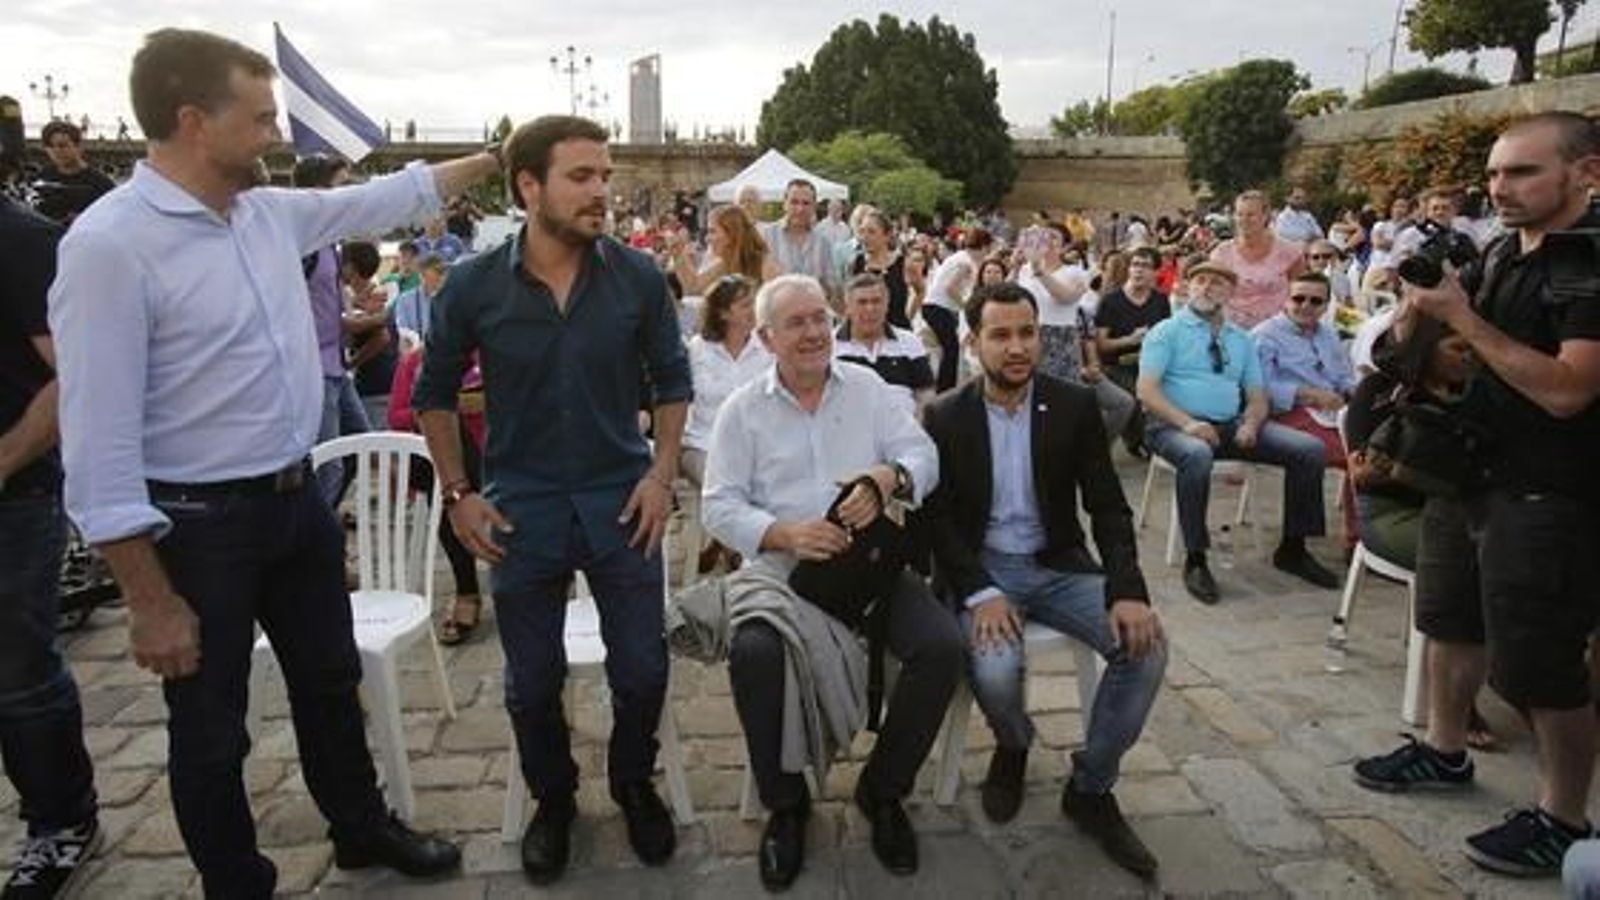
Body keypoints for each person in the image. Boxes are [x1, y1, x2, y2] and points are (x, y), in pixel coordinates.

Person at [47, 28, 482, 897]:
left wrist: (508, 152)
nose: (277, 135)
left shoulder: (265, 213)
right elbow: (94, 441)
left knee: (329, 684)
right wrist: (147, 598)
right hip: (198, 528)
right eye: (260, 118)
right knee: (211, 730)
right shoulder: (109, 247)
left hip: (296, 504)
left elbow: (394, 195)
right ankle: (236, 881)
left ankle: (359, 828)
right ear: (192, 122)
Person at [412, 114, 690, 885]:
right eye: (582, 176)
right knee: (531, 682)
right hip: (520, 512)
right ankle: (555, 799)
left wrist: (662, 473)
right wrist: (458, 492)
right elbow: (433, 394)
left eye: (605, 175)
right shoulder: (473, 284)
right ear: (527, 186)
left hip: (621, 505)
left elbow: (673, 379)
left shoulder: (636, 276)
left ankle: (634, 780)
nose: (602, 190)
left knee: (641, 671)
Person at [1351, 112, 1600, 878]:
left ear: (1586, 172)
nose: (1501, 188)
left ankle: (1563, 817)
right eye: (1494, 174)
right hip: (1468, 473)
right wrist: (1413, 316)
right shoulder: (1499, 251)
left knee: (1536, 663)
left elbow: (1568, 391)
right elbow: (1431, 362)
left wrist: (1463, 316)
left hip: (1548, 490)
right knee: (1447, 617)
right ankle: (1444, 749)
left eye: (1522, 172)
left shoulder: (1588, 265)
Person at [701, 274, 961, 890]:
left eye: (820, 317)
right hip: (786, 573)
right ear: (766, 337)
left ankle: (882, 791)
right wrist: (784, 533)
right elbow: (718, 505)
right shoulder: (744, 409)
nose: (815, 332)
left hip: (867, 567)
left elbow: (924, 457)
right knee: (755, 653)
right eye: (796, 322)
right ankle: (786, 805)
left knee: (942, 647)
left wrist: (885, 478)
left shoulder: (869, 388)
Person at [923, 281, 1166, 878]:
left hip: (1057, 566)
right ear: (973, 342)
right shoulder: (946, 416)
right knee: (997, 673)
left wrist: (1128, 590)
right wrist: (979, 591)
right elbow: (940, 523)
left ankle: (1090, 787)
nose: (1016, 347)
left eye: (1026, 333)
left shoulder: (1073, 406)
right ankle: (1013, 744)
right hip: (984, 572)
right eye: (1000, 334)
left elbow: (1108, 507)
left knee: (1148, 647)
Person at [0, 186, 101, 898]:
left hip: (16, 491)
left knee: (19, 671)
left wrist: (4, 460)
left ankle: (61, 821)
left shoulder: (22, 238)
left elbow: (75, 373)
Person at [1137, 261, 1340, 605]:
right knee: (1197, 455)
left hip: (1229, 424)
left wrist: (1250, 423)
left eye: (1216, 283)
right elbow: (1146, 390)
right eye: (1199, 280)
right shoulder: (1166, 331)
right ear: (1187, 287)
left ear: (1230, 293)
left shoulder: (1241, 339)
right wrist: (1188, 423)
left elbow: (1258, 396)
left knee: (1309, 449)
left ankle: (1293, 548)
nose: (1206, 287)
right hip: (1172, 425)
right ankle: (1197, 559)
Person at [1250, 272, 1359, 551]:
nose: (1306, 306)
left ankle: (1367, 535)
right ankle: (1357, 540)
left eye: (1315, 301)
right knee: (1357, 458)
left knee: (1379, 446)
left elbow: (1343, 376)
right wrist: (1307, 394)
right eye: (1298, 298)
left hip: (1332, 411)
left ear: (1325, 305)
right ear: (1286, 300)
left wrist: (1356, 392)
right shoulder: (1265, 336)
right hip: (1286, 413)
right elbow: (1257, 389)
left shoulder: (1329, 334)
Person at [387, 346, 486, 644]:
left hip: (502, 453)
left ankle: (470, 592)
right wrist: (443, 409)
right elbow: (396, 416)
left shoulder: (499, 349)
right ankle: (467, 591)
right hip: (447, 466)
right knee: (443, 476)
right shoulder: (417, 361)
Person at [293, 154, 371, 505]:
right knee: (329, 465)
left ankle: (323, 526)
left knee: (362, 447)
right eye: (341, 185)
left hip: (337, 367)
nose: (348, 193)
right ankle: (315, 542)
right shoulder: (302, 244)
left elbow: (328, 305)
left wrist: (357, 311)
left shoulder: (329, 244)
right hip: (315, 370)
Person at [1017, 223, 1135, 442]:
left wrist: (1038, 270)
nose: (1048, 243)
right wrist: (1019, 263)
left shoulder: (1075, 272)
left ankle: (1077, 454)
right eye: (1043, 237)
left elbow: (1065, 297)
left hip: (1060, 341)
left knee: (1061, 403)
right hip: (1028, 337)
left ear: (1064, 246)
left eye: (1054, 238)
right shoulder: (1025, 270)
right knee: (1029, 402)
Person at [1095, 246, 1173, 455]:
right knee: (1139, 397)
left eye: (1146, 266)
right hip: (1116, 366)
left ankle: (1153, 440)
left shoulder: (1161, 300)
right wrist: (1131, 339)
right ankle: (1133, 442)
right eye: (1135, 264)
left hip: (1150, 365)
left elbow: (1167, 337)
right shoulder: (1111, 300)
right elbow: (1101, 344)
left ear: (1157, 272)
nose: (1139, 270)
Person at [833, 272, 935, 414]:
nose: (870, 308)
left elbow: (926, 393)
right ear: (848, 308)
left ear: (887, 305)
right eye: (862, 302)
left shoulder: (909, 341)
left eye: (876, 301)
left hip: (904, 430)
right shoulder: (830, 345)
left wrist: (918, 427)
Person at [1210, 190, 1307, 330]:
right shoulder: (1221, 254)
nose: (1244, 219)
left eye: (1251, 214)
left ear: (1265, 216)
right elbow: (1213, 296)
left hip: (1278, 333)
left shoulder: (1290, 252)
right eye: (1239, 214)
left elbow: (1301, 295)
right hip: (1233, 333)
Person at [925, 228, 993, 391]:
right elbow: (951, 288)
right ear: (983, 246)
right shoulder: (966, 262)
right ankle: (945, 389)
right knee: (952, 350)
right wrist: (967, 308)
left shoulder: (961, 257)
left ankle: (945, 386)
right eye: (988, 249)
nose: (988, 254)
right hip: (937, 307)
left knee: (950, 350)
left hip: (936, 307)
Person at [669, 204, 776, 297]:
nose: (707, 238)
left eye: (712, 231)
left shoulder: (765, 265)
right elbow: (693, 288)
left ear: (732, 235)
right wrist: (678, 254)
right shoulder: (724, 264)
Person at [760, 180, 838, 300]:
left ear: (814, 207)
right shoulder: (766, 236)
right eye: (794, 202)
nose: (800, 209)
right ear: (784, 204)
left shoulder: (823, 243)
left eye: (806, 203)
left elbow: (831, 286)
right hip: (776, 314)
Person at [33, 120, 116, 225]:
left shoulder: (101, 184)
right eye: (50, 146)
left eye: (62, 145)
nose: (56, 151)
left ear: (79, 147)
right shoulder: (42, 177)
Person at [849, 208, 912, 329]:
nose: (864, 237)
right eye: (862, 231)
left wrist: (909, 314)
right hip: (866, 334)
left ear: (886, 236)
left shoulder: (904, 263)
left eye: (871, 232)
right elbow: (850, 301)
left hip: (898, 335)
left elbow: (920, 290)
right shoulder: (857, 263)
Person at [391, 253, 448, 349]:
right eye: (437, 273)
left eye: (442, 273)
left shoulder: (451, 298)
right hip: (416, 350)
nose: (440, 277)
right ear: (421, 275)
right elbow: (403, 330)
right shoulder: (404, 299)